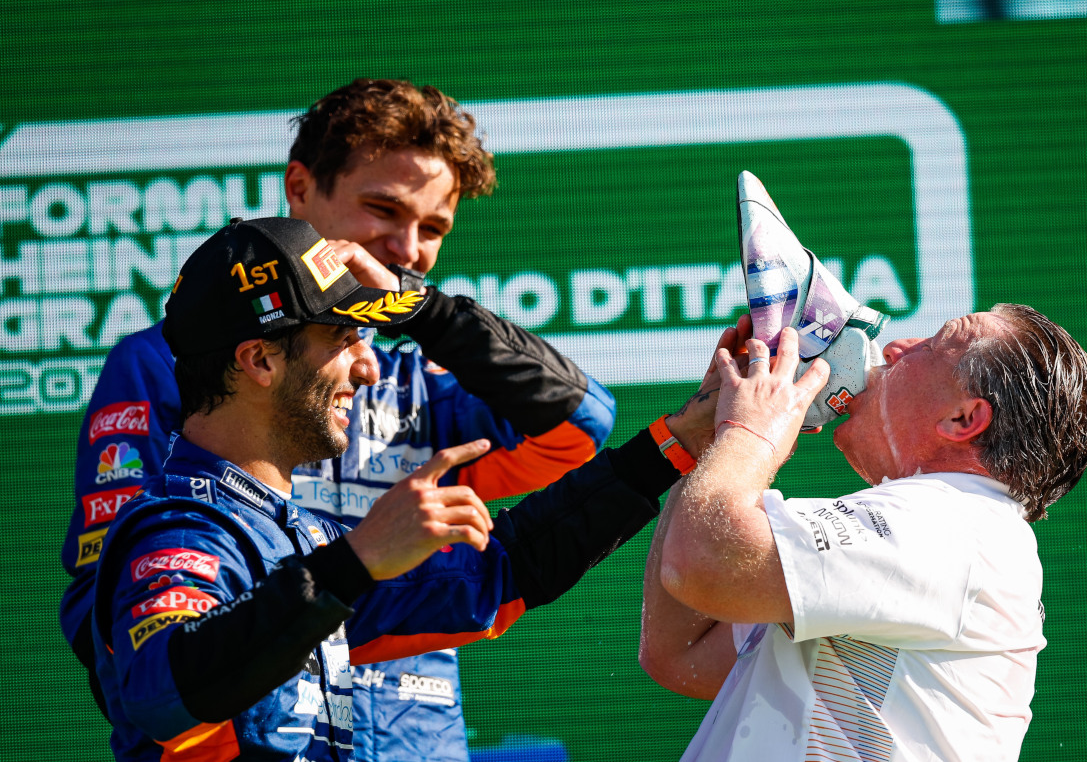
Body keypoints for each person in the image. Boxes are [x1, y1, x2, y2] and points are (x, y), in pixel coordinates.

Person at [61, 79, 615, 762]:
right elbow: (113, 613)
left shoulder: (414, 380)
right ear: (300, 189)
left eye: (434, 228)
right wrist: (321, 608)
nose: (407, 248)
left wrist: (422, 311)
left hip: (419, 742)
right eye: (382, 208)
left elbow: (580, 428)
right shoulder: (169, 362)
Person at [92, 216, 713, 762]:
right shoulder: (183, 528)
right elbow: (165, 688)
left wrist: (675, 441)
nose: (367, 367)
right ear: (259, 360)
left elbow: (502, 572)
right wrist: (355, 563)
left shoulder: (298, 534)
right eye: (342, 340)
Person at [639, 305, 1087, 761]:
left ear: (964, 419)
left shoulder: (951, 525)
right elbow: (681, 654)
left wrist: (750, 431)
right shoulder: (964, 531)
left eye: (931, 344)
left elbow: (703, 563)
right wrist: (712, 448)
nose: (895, 348)